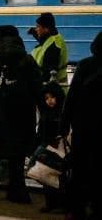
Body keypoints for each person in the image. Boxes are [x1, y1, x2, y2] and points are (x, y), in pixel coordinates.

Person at [0, 24, 43, 204]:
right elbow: (38, 89)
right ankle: (17, 186)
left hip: (3, 113)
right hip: (24, 112)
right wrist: (45, 111)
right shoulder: (28, 59)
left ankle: (15, 187)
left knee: (8, 149)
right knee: (20, 151)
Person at [61, 30, 102, 220]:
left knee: (79, 169)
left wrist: (64, 123)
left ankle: (76, 208)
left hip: (84, 127)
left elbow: (72, 97)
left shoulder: (85, 65)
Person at [36, 82, 66, 213]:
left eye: (52, 97)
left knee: (58, 177)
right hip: (49, 149)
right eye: (47, 98)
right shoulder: (53, 113)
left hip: (57, 149)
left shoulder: (58, 113)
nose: (50, 101)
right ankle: (51, 203)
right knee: (48, 176)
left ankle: (59, 204)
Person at [29, 12, 68, 92]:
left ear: (46, 29)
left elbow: (47, 73)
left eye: (38, 27)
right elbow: (44, 41)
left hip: (53, 92)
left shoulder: (53, 47)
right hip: (56, 89)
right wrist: (34, 33)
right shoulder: (54, 37)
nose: (36, 29)